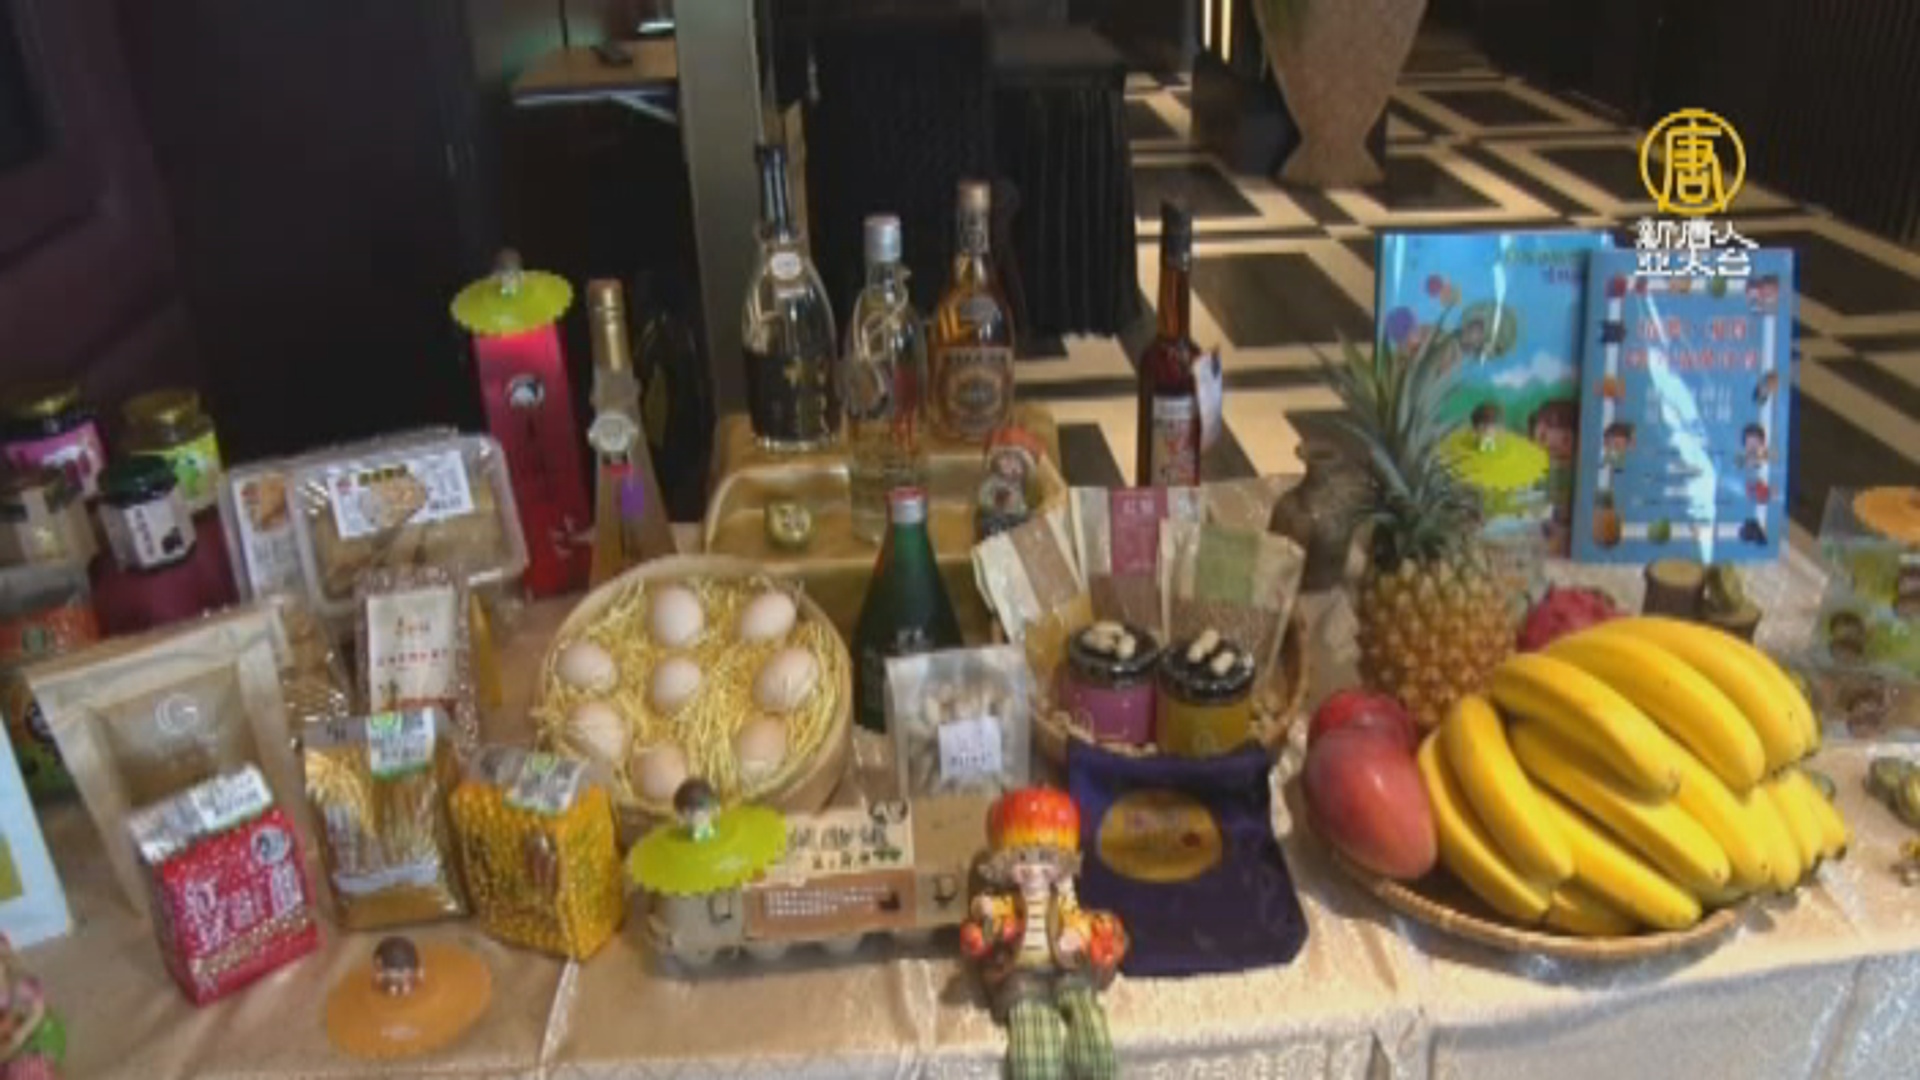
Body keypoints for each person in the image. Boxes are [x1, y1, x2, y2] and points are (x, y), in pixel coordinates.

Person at [961, 788, 1128, 1080]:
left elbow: (1075, 917)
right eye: (1022, 857)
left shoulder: (1061, 897)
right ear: (1005, 861)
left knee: (1092, 1029)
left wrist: (1077, 933)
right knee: (1036, 1044)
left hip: (1065, 970)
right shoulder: (1011, 902)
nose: (1034, 869)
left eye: (1046, 857)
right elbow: (986, 910)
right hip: (1022, 975)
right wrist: (984, 909)